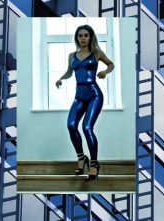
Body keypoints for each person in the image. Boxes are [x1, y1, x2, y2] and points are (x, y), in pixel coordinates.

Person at [54, 25, 114, 181]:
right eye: (80, 36)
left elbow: (111, 64)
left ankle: (94, 164)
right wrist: (61, 78)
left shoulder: (96, 53)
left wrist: (104, 72)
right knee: (71, 125)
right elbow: (69, 72)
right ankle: (82, 158)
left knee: (87, 127)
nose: (83, 38)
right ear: (77, 38)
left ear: (91, 37)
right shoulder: (72, 55)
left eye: (86, 35)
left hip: (94, 94)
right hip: (79, 95)